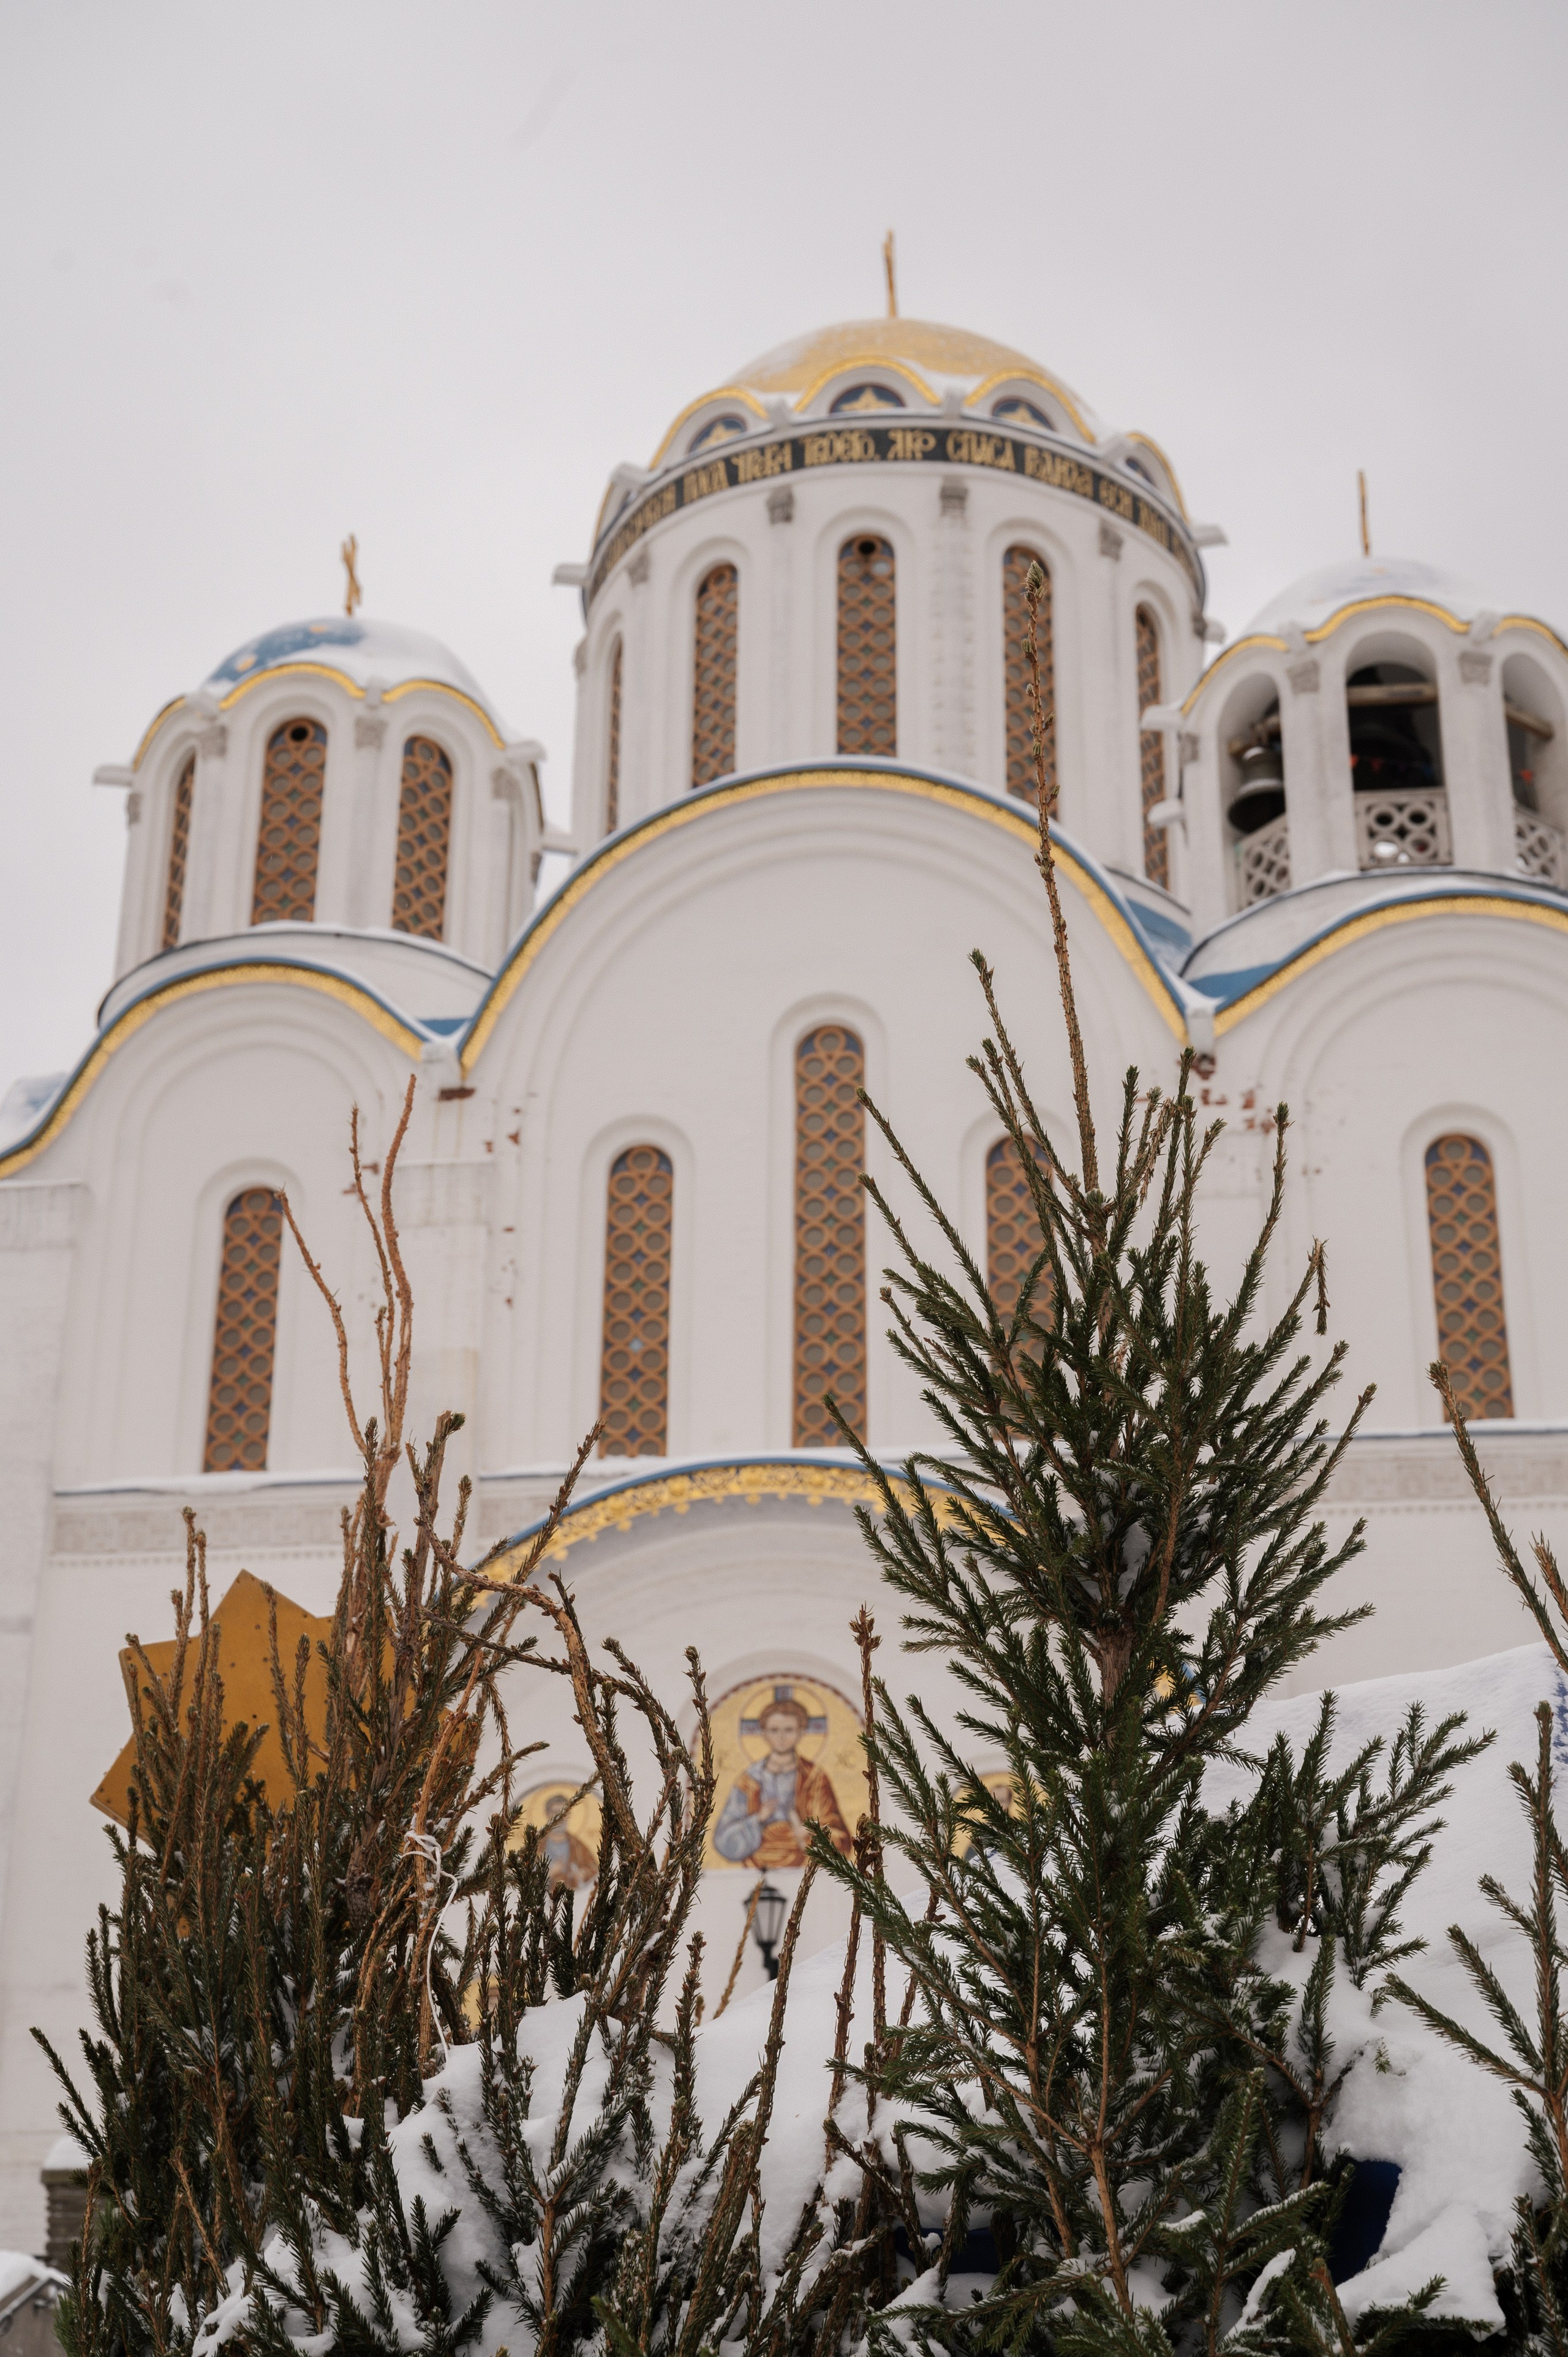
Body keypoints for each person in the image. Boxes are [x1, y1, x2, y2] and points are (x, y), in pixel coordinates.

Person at [712, 1695, 853, 1868]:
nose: (781, 1737)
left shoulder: (815, 1778)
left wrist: (807, 1832)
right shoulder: (749, 1780)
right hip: (755, 1865)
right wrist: (758, 1819)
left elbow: (841, 1841)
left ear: (801, 1732)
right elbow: (724, 1840)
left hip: (804, 1864)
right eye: (774, 1730)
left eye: (789, 1730)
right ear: (764, 1733)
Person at [537, 1794, 597, 1891]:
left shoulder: (578, 1846)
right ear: (548, 1814)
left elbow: (595, 1871)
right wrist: (548, 1873)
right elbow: (522, 1877)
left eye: (565, 1813)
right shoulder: (536, 1846)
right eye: (556, 1812)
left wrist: (583, 1874)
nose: (561, 1818)